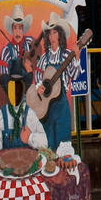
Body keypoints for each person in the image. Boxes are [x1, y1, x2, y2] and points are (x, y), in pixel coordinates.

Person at [31, 11, 80, 151]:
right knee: (49, 144)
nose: (52, 37)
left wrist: (76, 58)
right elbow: (38, 79)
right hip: (47, 110)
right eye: (50, 33)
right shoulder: (44, 58)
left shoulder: (66, 55)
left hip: (62, 107)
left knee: (63, 145)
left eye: (55, 33)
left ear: (60, 34)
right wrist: (39, 87)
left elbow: (75, 76)